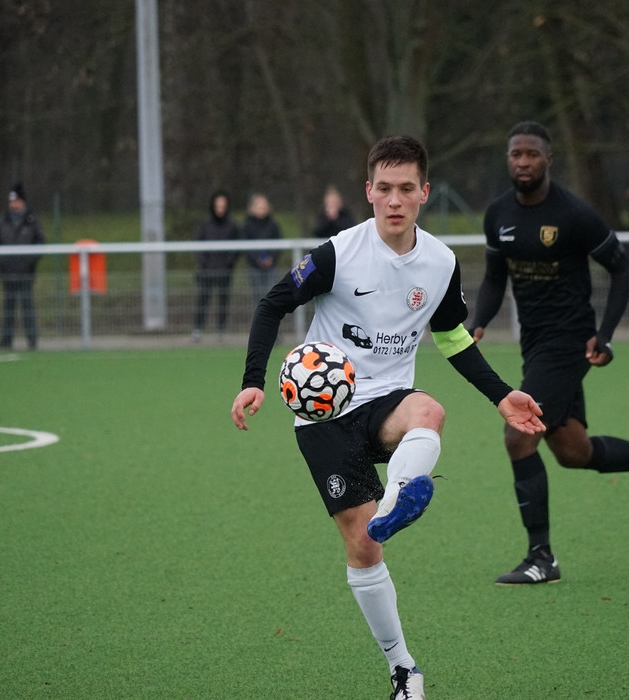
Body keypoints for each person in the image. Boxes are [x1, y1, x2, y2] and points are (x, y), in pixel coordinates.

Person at [231, 136, 545, 700]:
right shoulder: (338, 253)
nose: (395, 200)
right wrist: (253, 380)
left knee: (430, 410)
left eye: (406, 188)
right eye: (384, 188)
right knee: (364, 548)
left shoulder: (441, 262)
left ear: (424, 192)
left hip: (386, 398)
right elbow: (272, 303)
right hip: (324, 413)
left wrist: (501, 396)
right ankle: (404, 670)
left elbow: (450, 336)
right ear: (369, 192)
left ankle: (400, 497)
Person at [471, 121, 629, 586]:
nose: (523, 162)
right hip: (535, 343)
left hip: (570, 341)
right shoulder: (498, 214)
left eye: (532, 154)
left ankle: (541, 558)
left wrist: (605, 335)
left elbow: (622, 269)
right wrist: (478, 321)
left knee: (518, 434)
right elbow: (495, 277)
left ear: (548, 160)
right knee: (574, 451)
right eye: (516, 154)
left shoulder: (574, 214)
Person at [0, 183, 44, 350]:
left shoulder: (31, 220)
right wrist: (0, 262)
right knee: (8, 308)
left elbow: (40, 242)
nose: (14, 205)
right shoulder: (3, 220)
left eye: (17, 201)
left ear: (23, 202)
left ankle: (32, 339)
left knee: (27, 306)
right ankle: (6, 339)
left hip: (26, 272)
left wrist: (30, 261)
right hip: (7, 271)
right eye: (11, 201)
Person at [192, 190, 240, 342]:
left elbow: (236, 247)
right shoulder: (205, 225)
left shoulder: (232, 226)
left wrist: (228, 263)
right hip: (207, 270)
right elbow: (198, 245)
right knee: (203, 299)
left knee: (223, 300)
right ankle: (198, 329)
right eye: (218, 205)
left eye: (223, 206)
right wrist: (204, 262)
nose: (220, 209)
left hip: (225, 270)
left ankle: (220, 329)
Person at [240, 193, 282, 306]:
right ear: (252, 208)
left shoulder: (273, 225)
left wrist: (271, 258)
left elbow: (279, 244)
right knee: (257, 296)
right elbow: (246, 246)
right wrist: (257, 259)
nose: (261, 209)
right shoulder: (247, 225)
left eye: (263, 206)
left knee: (273, 294)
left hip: (271, 266)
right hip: (254, 267)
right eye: (258, 206)